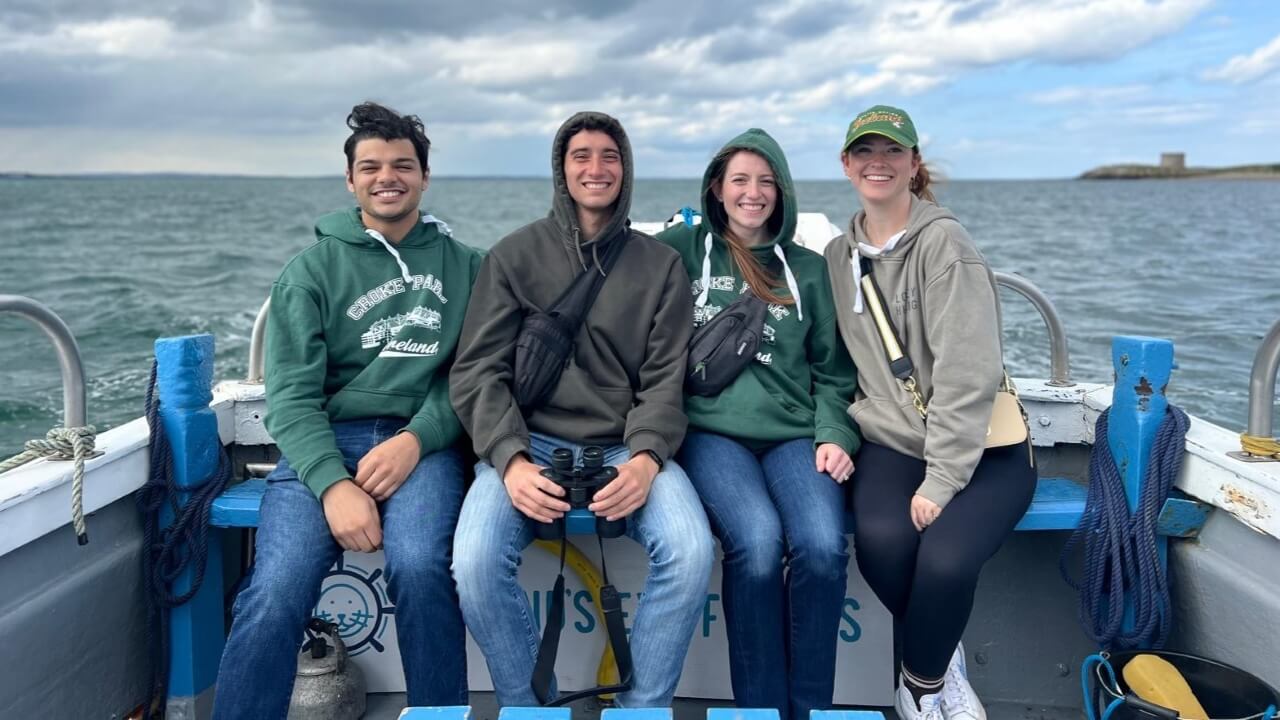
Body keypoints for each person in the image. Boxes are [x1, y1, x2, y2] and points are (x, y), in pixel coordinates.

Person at [213, 102, 483, 719]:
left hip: (426, 445)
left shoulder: (468, 267)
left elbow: (471, 375)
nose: (387, 177)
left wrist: (418, 439)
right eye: (371, 166)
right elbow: (290, 397)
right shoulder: (309, 272)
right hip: (324, 446)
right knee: (275, 590)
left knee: (420, 568)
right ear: (350, 179)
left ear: (424, 176)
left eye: (402, 165)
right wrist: (333, 484)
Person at [449, 111, 714, 708]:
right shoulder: (513, 256)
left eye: (609, 156)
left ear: (626, 169)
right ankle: (528, 703)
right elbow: (476, 371)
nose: (596, 168)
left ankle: (641, 706)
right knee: (474, 561)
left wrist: (646, 461)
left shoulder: (659, 265)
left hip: (624, 445)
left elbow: (665, 381)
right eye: (581, 156)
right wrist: (510, 460)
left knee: (691, 549)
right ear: (560, 169)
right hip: (529, 445)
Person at [824, 105, 1036, 720]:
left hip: (985, 446)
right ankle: (941, 652)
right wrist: (832, 430)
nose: (878, 163)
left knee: (944, 559)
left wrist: (943, 480)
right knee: (883, 543)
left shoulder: (946, 243)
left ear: (914, 164)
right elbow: (829, 363)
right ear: (846, 165)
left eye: (893, 151)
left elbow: (970, 376)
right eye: (865, 152)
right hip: (894, 440)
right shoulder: (838, 257)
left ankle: (919, 686)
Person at [653, 129, 860, 720]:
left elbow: (834, 372)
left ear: (783, 191)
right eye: (739, 180)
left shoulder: (810, 271)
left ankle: (810, 708)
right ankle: (759, 711)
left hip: (794, 436)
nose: (753, 193)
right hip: (710, 434)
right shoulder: (680, 251)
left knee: (822, 547)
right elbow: (607, 262)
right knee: (759, 543)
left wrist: (836, 435)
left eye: (766, 181)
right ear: (716, 189)